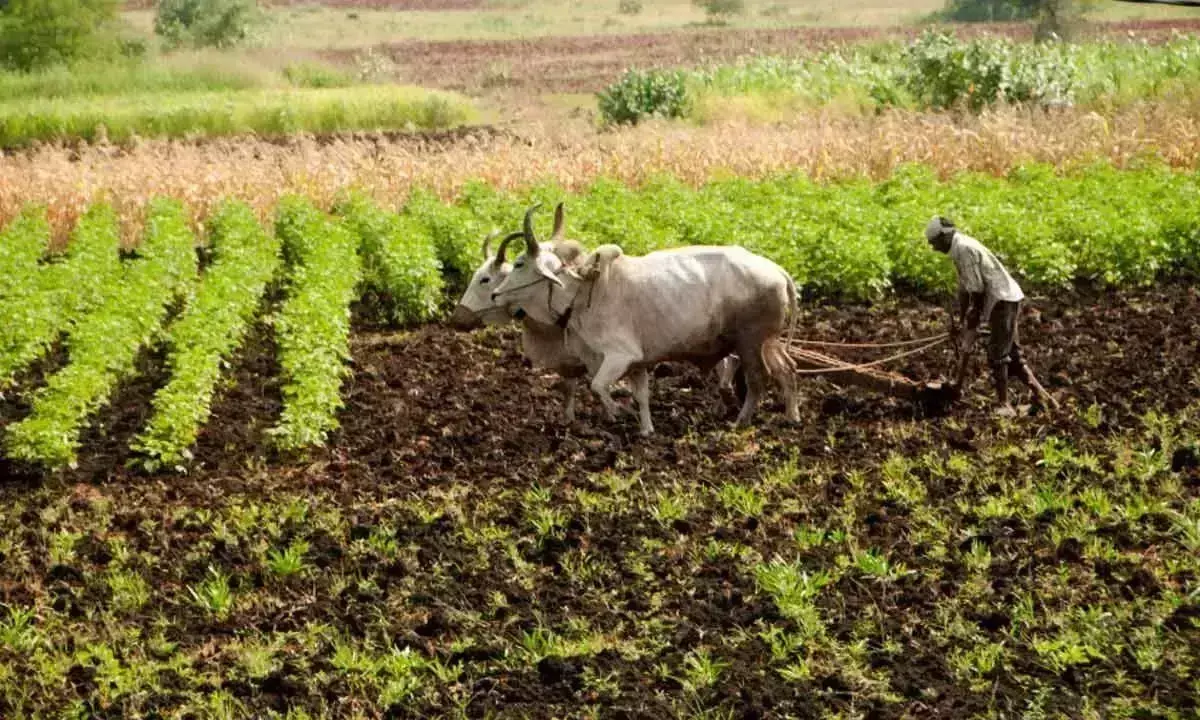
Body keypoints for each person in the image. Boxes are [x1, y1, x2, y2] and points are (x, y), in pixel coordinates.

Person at [925, 215, 1058, 417]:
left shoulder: (964, 249)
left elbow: (976, 291)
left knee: (998, 354)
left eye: (934, 243)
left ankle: (1004, 404)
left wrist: (973, 318)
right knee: (1014, 356)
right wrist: (964, 321)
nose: (934, 249)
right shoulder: (959, 248)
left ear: (944, 236)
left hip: (1001, 300)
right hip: (1003, 299)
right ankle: (1044, 399)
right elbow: (965, 290)